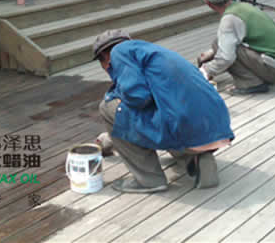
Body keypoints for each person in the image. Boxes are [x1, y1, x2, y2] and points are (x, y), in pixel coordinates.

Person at [94, 29, 235, 194]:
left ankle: (149, 180)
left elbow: (137, 96)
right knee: (162, 111)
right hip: (218, 128)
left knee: (108, 107)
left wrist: (117, 97)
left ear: (105, 58)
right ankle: (194, 159)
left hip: (188, 130)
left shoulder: (119, 52)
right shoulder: (152, 52)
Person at [198, 0, 275, 95]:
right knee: (219, 43)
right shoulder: (243, 7)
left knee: (225, 49)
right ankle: (256, 79)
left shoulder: (230, 19)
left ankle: (251, 83)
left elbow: (226, 58)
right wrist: (211, 53)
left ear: (208, 3)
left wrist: (205, 70)